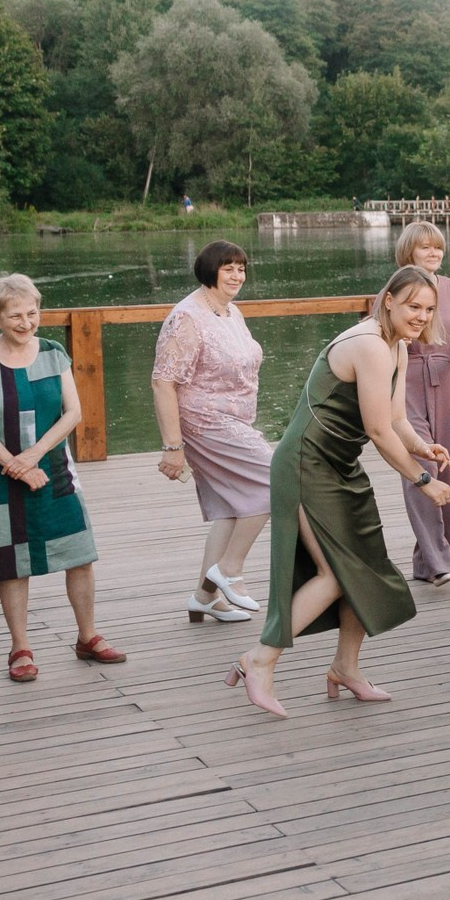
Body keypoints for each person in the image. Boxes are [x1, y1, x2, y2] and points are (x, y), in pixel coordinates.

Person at [227, 267, 450, 718]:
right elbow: (374, 429)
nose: (421, 316)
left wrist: (420, 446)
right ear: (388, 300)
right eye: (413, 306)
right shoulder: (369, 344)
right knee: (334, 573)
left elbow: (394, 420)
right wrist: (424, 481)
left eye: (428, 309)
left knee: (366, 568)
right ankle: (259, 659)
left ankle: (345, 667)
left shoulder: (396, 345)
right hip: (307, 465)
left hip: (342, 465)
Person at [0, 274, 122, 680]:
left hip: (52, 465)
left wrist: (32, 456)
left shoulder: (54, 352)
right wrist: (14, 464)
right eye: (15, 315)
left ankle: (88, 636)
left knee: (79, 554)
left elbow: (73, 413)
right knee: (11, 563)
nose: (26, 322)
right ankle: (20, 647)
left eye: (33, 313)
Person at [151, 239, 269, 625]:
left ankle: (204, 596)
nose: (237, 275)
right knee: (279, 480)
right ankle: (229, 569)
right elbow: (163, 382)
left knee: (231, 507)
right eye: (228, 268)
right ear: (209, 271)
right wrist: (173, 447)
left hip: (235, 420)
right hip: (205, 423)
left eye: (241, 268)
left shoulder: (230, 311)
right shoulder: (187, 318)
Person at [386, 222, 450, 583]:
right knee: (422, 462)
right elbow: (381, 337)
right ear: (409, 252)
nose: (433, 253)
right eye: (425, 248)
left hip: (448, 377)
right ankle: (438, 561)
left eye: (437, 247)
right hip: (406, 380)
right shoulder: (393, 290)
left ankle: (434, 562)